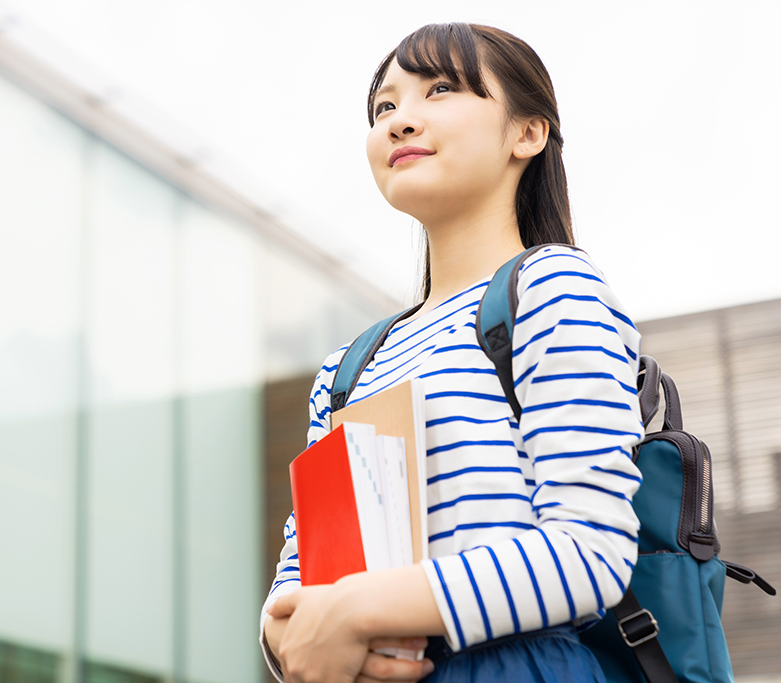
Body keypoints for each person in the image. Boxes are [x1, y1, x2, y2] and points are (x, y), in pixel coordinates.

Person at [260, 23, 644, 683]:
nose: (401, 121)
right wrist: (282, 633)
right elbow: (302, 576)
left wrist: (356, 610)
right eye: (385, 108)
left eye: (440, 90)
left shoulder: (551, 288)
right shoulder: (346, 369)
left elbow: (591, 554)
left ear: (528, 133)